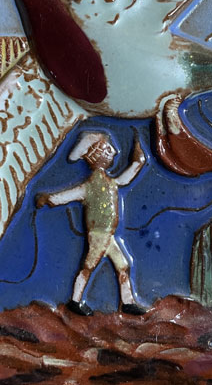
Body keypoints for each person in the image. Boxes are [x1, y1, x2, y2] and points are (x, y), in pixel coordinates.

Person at [36, 131, 147, 316]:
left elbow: (127, 176)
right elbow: (67, 196)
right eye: (106, 151)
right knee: (89, 266)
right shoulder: (89, 187)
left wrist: (138, 159)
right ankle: (75, 301)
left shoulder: (111, 183)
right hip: (98, 234)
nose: (112, 154)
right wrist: (48, 199)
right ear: (96, 157)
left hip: (108, 234)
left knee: (122, 265)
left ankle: (127, 302)